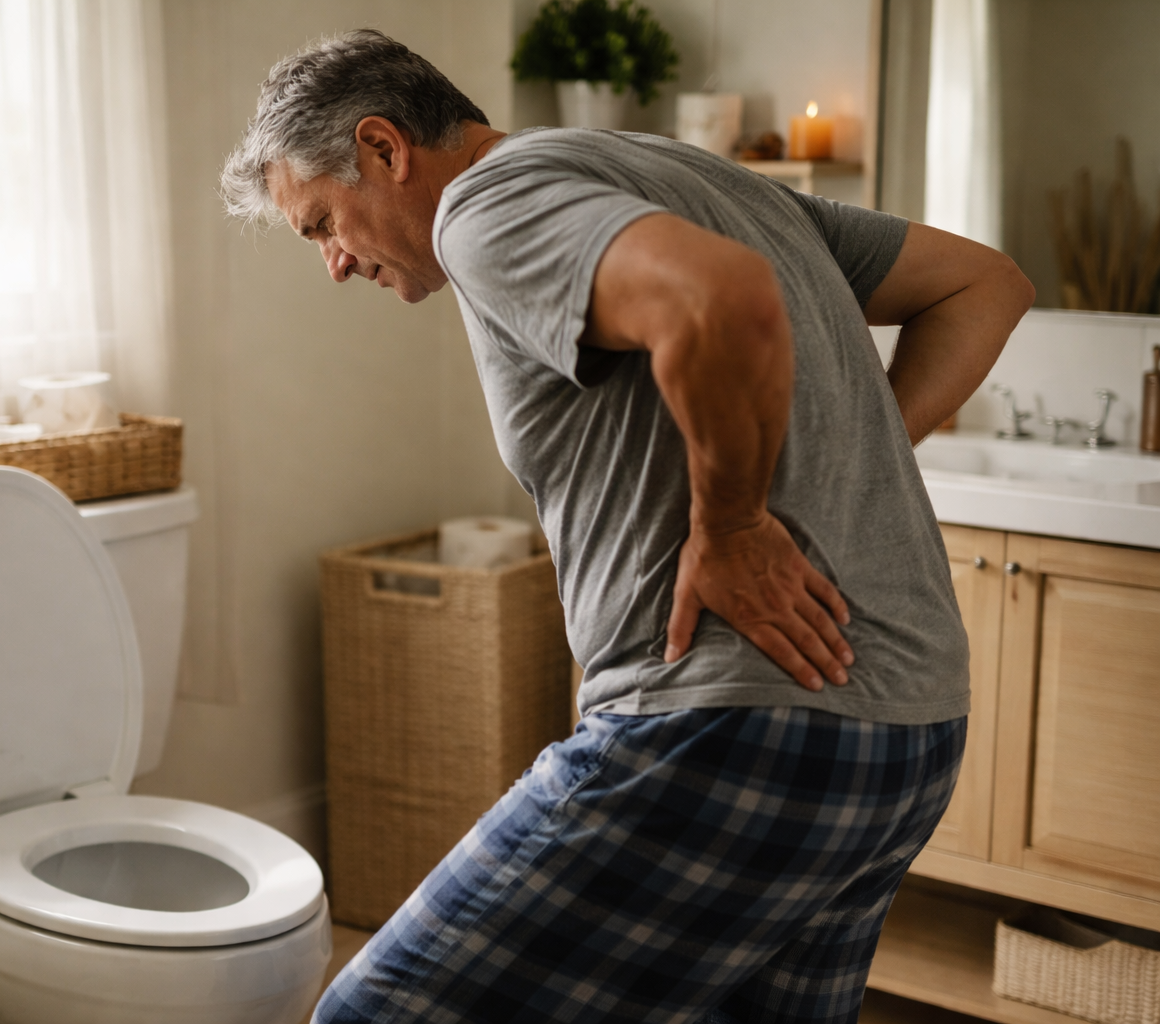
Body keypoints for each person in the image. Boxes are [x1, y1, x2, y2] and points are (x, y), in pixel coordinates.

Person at [221, 29, 1034, 1024]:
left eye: (320, 225)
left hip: (734, 724)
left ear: (385, 148)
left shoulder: (484, 204)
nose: (335, 263)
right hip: (907, 741)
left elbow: (719, 300)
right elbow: (985, 284)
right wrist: (834, 465)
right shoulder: (677, 169)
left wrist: (735, 524)